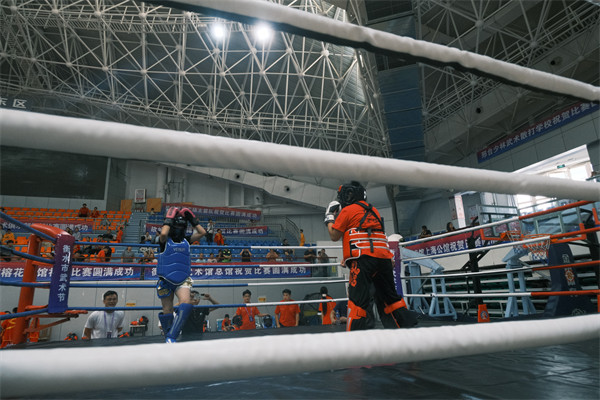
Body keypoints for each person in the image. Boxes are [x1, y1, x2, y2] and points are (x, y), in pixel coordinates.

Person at [324, 181, 417, 331]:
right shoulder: (374, 210)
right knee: (390, 298)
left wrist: (329, 217)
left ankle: (355, 336)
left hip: (363, 261)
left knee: (357, 301)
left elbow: (334, 235)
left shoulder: (348, 210)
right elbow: (373, 237)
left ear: (348, 195)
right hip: (383, 260)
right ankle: (405, 330)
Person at [156, 207, 206, 343]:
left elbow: (202, 232)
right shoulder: (163, 240)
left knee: (186, 303)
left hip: (182, 279)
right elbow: (164, 233)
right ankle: (168, 339)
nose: (179, 228)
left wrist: (193, 219)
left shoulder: (187, 240)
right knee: (167, 309)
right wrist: (169, 218)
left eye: (182, 226)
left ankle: (172, 336)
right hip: (165, 279)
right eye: (176, 225)